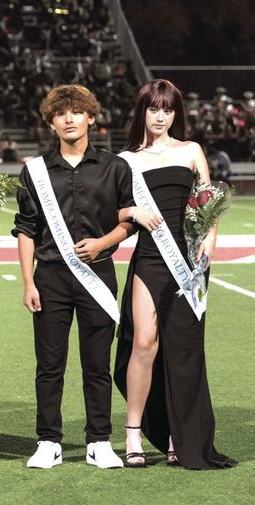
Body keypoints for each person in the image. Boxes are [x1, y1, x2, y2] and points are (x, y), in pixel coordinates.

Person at [13, 84, 139, 469]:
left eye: (76, 112)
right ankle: (48, 440)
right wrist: (28, 281)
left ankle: (99, 441)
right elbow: (25, 229)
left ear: (91, 118)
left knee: (96, 363)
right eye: (60, 113)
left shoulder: (115, 166)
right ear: (51, 122)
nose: (69, 119)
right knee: (49, 365)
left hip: (97, 274)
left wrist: (102, 243)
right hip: (49, 277)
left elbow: (129, 221)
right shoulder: (33, 170)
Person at [113, 79, 236, 470]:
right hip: (149, 258)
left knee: (182, 350)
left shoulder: (191, 151)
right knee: (144, 343)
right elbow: (114, 213)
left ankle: (177, 436)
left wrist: (211, 240)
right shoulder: (126, 160)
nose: (160, 117)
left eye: (167, 110)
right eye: (153, 109)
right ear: (142, 112)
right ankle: (132, 433)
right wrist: (132, 212)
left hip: (189, 260)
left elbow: (207, 202)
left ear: (175, 114)